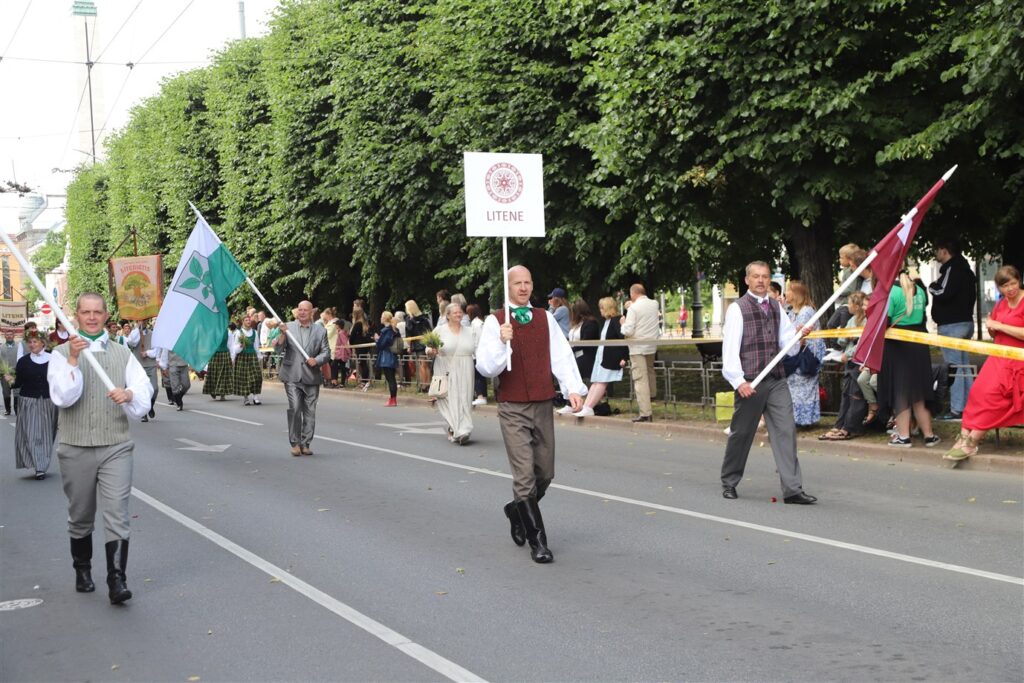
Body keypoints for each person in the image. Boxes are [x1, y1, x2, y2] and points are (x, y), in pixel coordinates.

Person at [47, 294, 154, 604]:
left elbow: (142, 390)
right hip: (75, 446)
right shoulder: (60, 353)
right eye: (86, 312)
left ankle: (116, 579)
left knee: (117, 513)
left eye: (97, 312)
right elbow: (62, 397)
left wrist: (129, 394)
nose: (92, 317)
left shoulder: (122, 353)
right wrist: (73, 360)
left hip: (115, 445)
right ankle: (82, 569)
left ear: (106, 315)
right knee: (80, 514)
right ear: (76, 316)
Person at [476, 266, 587, 563]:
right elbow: (486, 367)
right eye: (517, 283)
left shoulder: (544, 318)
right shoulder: (495, 321)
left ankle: (516, 510)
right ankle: (538, 541)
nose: (523, 287)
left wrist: (572, 388)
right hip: (512, 406)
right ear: (508, 287)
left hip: (542, 403)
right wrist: (502, 341)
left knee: (545, 473)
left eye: (527, 282)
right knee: (524, 475)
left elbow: (560, 355)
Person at [720, 261, 817, 504]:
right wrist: (738, 381)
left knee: (786, 431)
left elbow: (787, 344)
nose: (761, 280)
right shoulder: (737, 309)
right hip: (750, 381)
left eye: (765, 276)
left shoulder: (775, 306)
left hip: (776, 379)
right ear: (747, 280)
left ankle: (792, 489)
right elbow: (730, 348)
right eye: (756, 276)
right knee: (742, 433)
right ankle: (729, 481)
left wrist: (799, 337)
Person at [944, 266, 1024, 462]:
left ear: (1019, 281)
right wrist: (992, 327)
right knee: (977, 392)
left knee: (993, 395)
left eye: (1013, 283)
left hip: (1018, 361)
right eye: (1004, 286)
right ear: (999, 288)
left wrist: (1000, 325)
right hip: (998, 358)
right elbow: (995, 330)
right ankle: (963, 437)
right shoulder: (1001, 304)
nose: (1010, 289)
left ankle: (972, 441)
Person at [879, 271, 941, 448]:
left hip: (898, 343)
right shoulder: (919, 290)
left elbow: (885, 320)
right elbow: (922, 314)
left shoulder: (891, 291)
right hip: (919, 341)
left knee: (900, 391)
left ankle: (904, 436)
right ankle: (929, 436)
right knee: (919, 392)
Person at [929, 239, 978, 420]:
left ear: (944, 250)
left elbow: (943, 291)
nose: (936, 253)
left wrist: (932, 287)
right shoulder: (966, 270)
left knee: (954, 369)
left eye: (937, 249)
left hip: (952, 325)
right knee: (964, 367)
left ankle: (957, 409)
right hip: (964, 322)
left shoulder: (952, 269)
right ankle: (970, 406)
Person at [274, 301, 330, 457]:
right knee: (295, 408)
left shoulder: (320, 331)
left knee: (310, 411)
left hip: (312, 376)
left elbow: (326, 352)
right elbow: (278, 349)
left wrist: (316, 360)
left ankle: (306, 444)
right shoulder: (288, 327)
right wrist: (282, 334)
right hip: (292, 375)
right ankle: (295, 443)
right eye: (300, 310)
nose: (302, 312)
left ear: (311, 313)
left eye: (305, 310)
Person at [819, 292, 868, 441]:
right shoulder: (852, 320)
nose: (847, 306)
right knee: (846, 394)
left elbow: (864, 343)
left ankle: (850, 428)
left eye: (850, 303)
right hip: (848, 360)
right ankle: (839, 425)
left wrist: (850, 351)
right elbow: (841, 339)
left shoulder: (866, 321)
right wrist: (847, 337)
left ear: (857, 306)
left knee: (855, 395)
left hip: (858, 361)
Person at [10, 331, 57, 479]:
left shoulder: (53, 359)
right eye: (29, 342)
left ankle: (42, 462)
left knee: (48, 434)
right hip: (29, 401)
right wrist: (11, 381)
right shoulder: (23, 361)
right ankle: (39, 467)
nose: (31, 344)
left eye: (35, 341)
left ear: (43, 343)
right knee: (33, 433)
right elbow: (18, 383)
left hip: (49, 401)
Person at [430, 302, 477, 444]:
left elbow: (477, 349)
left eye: (460, 312)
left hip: (466, 368)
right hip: (445, 368)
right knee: (449, 399)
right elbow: (428, 348)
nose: (458, 314)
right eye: (455, 312)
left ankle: (460, 428)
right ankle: (460, 430)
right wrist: (431, 351)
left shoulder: (470, 331)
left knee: (464, 398)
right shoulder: (439, 330)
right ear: (448, 315)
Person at [573, 297, 629, 418]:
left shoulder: (616, 320)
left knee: (602, 382)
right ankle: (586, 406)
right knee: (596, 382)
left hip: (610, 356)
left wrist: (624, 357)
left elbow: (623, 339)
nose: (600, 311)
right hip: (602, 356)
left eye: (602, 308)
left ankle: (589, 407)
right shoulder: (607, 321)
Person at [784, 281, 825, 427]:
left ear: (796, 294)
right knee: (793, 385)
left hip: (807, 354)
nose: (785, 293)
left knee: (802, 384)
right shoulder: (791, 312)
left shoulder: (806, 311)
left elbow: (801, 337)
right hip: (797, 352)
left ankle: (803, 419)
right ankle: (797, 418)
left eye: (788, 290)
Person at [620, 283, 661, 423]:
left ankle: (645, 412)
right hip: (651, 345)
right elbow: (642, 309)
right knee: (650, 371)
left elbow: (628, 330)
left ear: (633, 294)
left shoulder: (633, 308)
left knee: (640, 378)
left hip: (637, 347)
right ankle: (652, 395)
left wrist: (623, 323)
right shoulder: (654, 304)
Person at [561, 299, 600, 415]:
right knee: (570, 377)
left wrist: (571, 349)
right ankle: (571, 403)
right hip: (575, 355)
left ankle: (574, 403)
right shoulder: (577, 324)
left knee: (575, 378)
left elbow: (586, 341)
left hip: (586, 356)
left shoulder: (590, 323)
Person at [126, 320, 159, 421]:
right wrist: (138, 329)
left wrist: (147, 353)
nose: (143, 322)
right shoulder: (134, 333)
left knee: (155, 388)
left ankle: (151, 405)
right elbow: (131, 342)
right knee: (140, 390)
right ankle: (143, 414)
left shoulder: (153, 334)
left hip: (150, 364)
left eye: (144, 320)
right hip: (138, 366)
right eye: (141, 320)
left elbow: (157, 349)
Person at [232, 315, 263, 405]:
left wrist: (259, 357)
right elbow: (235, 348)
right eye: (246, 320)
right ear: (243, 322)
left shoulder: (254, 332)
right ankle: (246, 398)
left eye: (249, 320)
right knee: (244, 378)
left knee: (257, 377)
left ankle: (255, 397)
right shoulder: (239, 333)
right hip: (242, 357)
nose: (248, 322)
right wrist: (240, 346)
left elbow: (256, 346)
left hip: (252, 356)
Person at [405, 300, 433, 390]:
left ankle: (423, 385)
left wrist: (409, 346)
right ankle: (428, 384)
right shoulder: (424, 318)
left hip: (417, 345)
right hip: (427, 343)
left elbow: (408, 334)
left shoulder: (409, 319)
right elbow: (429, 330)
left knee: (421, 365)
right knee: (426, 365)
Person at [374, 312, 400, 407]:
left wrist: (377, 339)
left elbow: (381, 345)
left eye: (382, 316)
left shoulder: (386, 331)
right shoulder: (395, 330)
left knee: (390, 379)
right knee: (392, 378)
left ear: (385, 318)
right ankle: (393, 398)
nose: (380, 318)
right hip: (393, 355)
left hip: (386, 357)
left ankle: (393, 399)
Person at [202, 328, 234, 401]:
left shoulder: (228, 332)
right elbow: (208, 345)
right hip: (214, 354)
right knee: (214, 373)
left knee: (223, 374)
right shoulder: (211, 331)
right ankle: (213, 390)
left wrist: (232, 357)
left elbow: (231, 345)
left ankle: (222, 394)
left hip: (224, 354)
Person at [466, 304, 488, 406]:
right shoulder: (480, 322)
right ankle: (483, 395)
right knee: (481, 375)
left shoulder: (476, 324)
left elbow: (477, 340)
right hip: (480, 353)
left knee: (477, 376)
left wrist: (474, 352)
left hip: (477, 353)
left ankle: (480, 396)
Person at [1, 329, 25, 415]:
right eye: (7, 335)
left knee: (17, 392)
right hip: (5, 374)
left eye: (11, 334)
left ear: (13, 336)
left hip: (16, 373)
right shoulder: (1, 347)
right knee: (6, 393)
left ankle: (16, 410)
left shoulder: (19, 347)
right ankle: (8, 410)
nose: (9, 336)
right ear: (5, 336)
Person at [349, 307, 373, 389]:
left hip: (359, 345)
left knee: (362, 363)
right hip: (365, 345)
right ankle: (365, 380)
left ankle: (364, 381)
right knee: (363, 363)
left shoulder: (357, 324)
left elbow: (352, 336)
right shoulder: (365, 323)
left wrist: (351, 343)